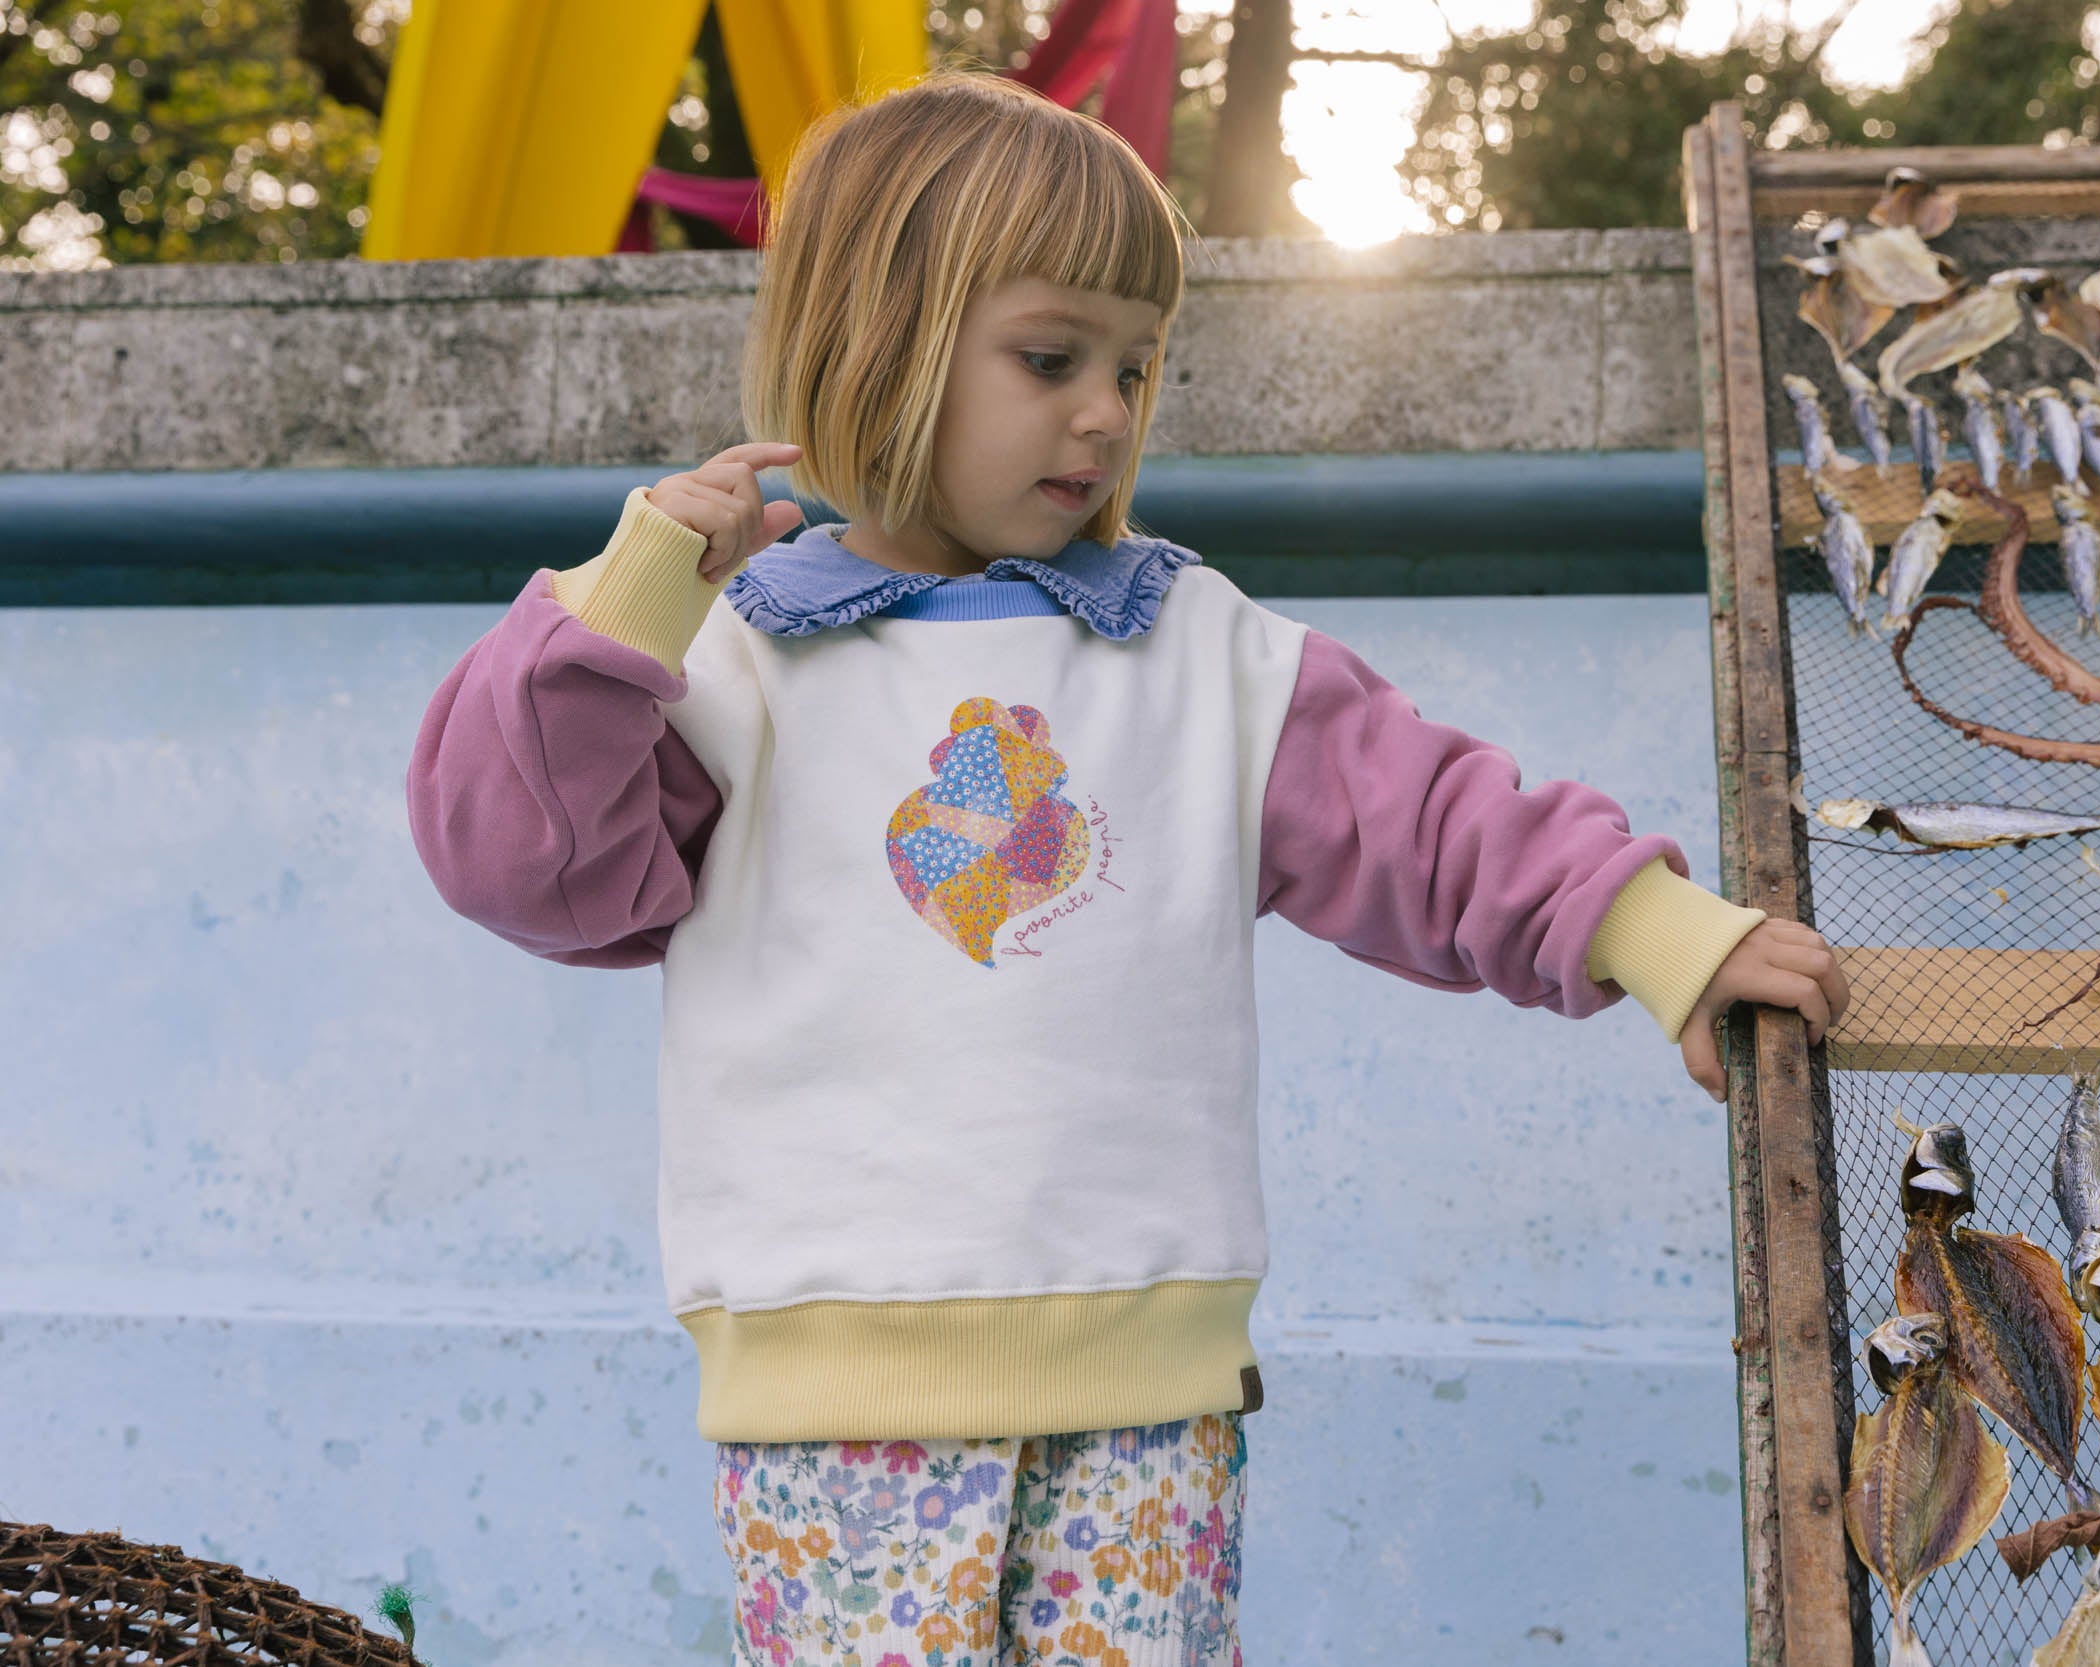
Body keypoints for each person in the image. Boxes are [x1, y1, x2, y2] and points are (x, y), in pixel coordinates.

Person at [405, 68, 1846, 1667]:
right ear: (879, 340)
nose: (1105, 410)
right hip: (831, 1403)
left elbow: (1432, 819)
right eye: (1051, 359)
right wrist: (631, 600)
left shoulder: (1192, 647)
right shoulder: (721, 659)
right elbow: (519, 859)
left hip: (1148, 1393)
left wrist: (1658, 933)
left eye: (1135, 365)